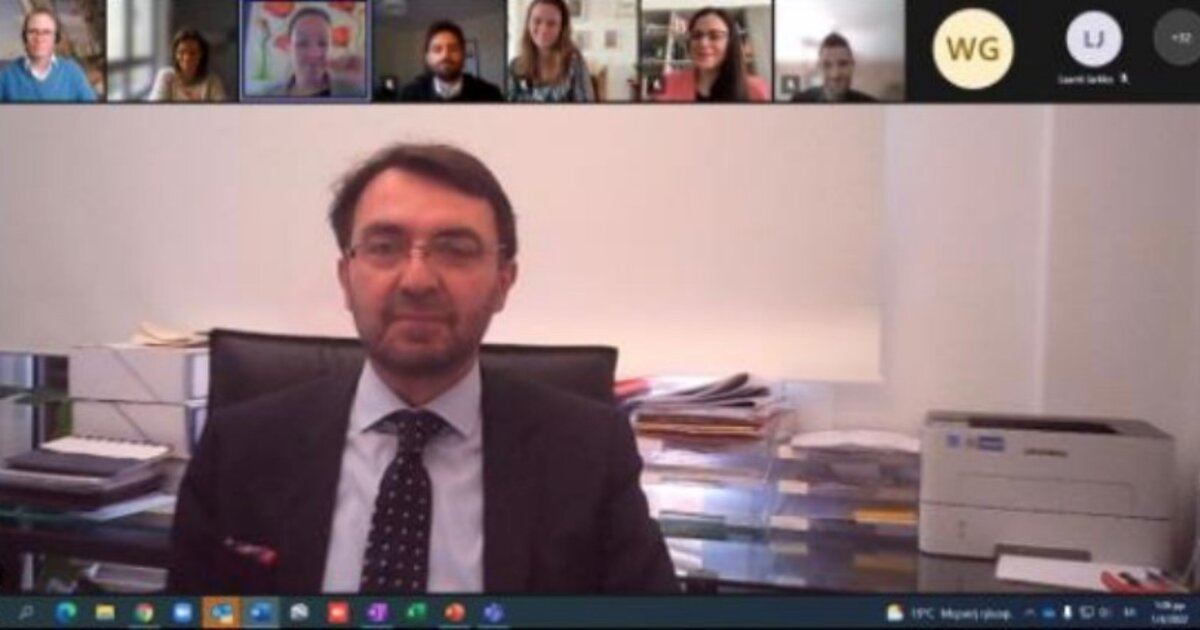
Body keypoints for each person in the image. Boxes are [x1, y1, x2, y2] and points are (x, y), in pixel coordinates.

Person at [168, 143, 679, 594]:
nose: (417, 280)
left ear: (503, 282)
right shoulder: (240, 445)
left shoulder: (590, 453)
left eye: (455, 251)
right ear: (346, 278)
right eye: (384, 247)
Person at [654, 7, 768, 102]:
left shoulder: (755, 90)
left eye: (715, 36)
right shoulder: (668, 83)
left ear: (731, 43)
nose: (703, 43)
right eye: (697, 35)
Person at [264, 7, 362, 98]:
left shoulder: (353, 93)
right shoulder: (269, 96)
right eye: (302, 43)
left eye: (322, 43)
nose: (314, 54)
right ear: (288, 46)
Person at [507, 0, 595, 102]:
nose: (544, 29)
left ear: (562, 28)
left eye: (552, 23)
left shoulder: (574, 62)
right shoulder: (515, 66)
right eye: (537, 21)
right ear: (528, 24)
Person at [0, 8, 95, 102]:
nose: (39, 38)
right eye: (33, 32)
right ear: (25, 37)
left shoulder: (72, 72)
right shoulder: (6, 76)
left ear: (56, 38)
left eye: (46, 32)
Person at [398, 20, 503, 102]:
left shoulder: (491, 95)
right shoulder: (408, 95)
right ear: (427, 57)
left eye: (453, 49)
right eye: (437, 50)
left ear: (463, 54)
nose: (445, 55)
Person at [791, 33, 877, 103]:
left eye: (843, 64)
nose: (835, 75)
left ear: (852, 66)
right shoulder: (799, 102)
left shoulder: (872, 107)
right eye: (827, 65)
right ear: (819, 68)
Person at [148, 29, 226, 102]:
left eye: (193, 53)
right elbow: (155, 108)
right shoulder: (166, 77)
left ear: (201, 55)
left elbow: (221, 110)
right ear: (175, 55)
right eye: (181, 52)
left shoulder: (212, 81)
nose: (187, 58)